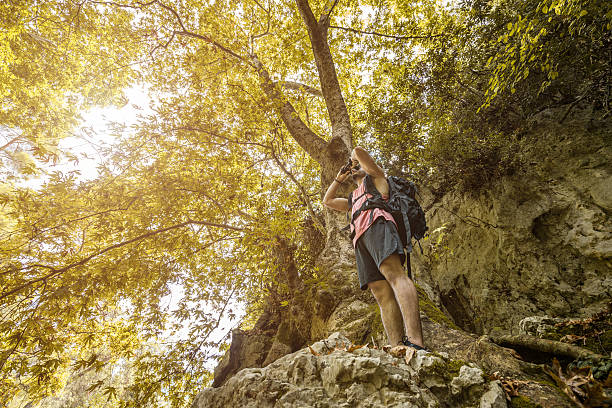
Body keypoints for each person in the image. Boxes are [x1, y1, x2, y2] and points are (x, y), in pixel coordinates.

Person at [322, 146, 425, 350]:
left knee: (394, 274)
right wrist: (339, 177)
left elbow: (359, 151)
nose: (353, 168)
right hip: (360, 239)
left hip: (378, 224)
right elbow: (328, 201)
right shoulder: (352, 198)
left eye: (356, 165)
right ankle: (396, 346)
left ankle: (415, 341)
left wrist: (353, 160)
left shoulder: (377, 179)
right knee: (380, 291)